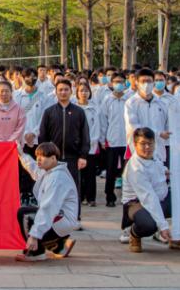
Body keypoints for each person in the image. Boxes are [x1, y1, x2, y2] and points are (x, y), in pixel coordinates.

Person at [122, 127, 180, 254]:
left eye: (150, 143)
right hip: (139, 204)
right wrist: (163, 226)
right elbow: (149, 198)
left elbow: (159, 167)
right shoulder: (136, 168)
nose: (147, 147)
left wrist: (165, 171)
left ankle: (178, 238)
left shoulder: (154, 155)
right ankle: (134, 234)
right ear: (135, 145)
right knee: (149, 225)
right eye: (143, 144)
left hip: (162, 197)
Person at [15, 142, 78, 262]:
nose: (38, 160)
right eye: (37, 156)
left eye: (42, 157)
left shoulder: (57, 178)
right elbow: (34, 168)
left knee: (24, 214)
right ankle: (60, 246)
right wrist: (21, 154)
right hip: (61, 219)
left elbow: (48, 208)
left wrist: (34, 236)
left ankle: (36, 252)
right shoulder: (50, 171)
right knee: (33, 212)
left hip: (61, 219)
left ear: (53, 158)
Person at [37, 79, 89, 217]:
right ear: (56, 92)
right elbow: (43, 136)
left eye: (66, 89)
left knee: (73, 188)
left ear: (71, 91)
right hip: (54, 160)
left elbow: (85, 135)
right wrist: (44, 156)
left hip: (73, 158)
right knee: (53, 189)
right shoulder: (49, 112)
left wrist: (83, 156)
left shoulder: (79, 112)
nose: (63, 92)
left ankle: (74, 217)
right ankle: (53, 217)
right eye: (60, 90)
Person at [123, 69, 170, 163]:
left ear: (153, 83)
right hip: (139, 151)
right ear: (137, 82)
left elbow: (167, 124)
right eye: (143, 81)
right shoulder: (131, 103)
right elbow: (134, 127)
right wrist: (158, 133)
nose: (146, 84)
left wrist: (166, 134)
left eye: (149, 81)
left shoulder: (161, 103)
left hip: (158, 151)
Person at [73, 81, 102, 207]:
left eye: (86, 90)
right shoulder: (73, 108)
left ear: (90, 92)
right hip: (76, 146)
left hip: (91, 145)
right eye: (81, 91)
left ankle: (91, 198)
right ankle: (79, 196)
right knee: (78, 173)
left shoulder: (94, 108)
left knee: (90, 172)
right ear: (77, 93)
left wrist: (93, 140)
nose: (84, 93)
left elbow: (97, 126)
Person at [102, 73, 129, 206]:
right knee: (111, 170)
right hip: (112, 140)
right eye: (116, 82)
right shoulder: (107, 100)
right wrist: (103, 139)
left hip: (127, 141)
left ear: (125, 84)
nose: (119, 84)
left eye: (121, 82)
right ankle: (110, 196)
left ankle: (128, 196)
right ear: (112, 84)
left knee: (128, 171)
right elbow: (103, 121)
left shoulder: (129, 100)